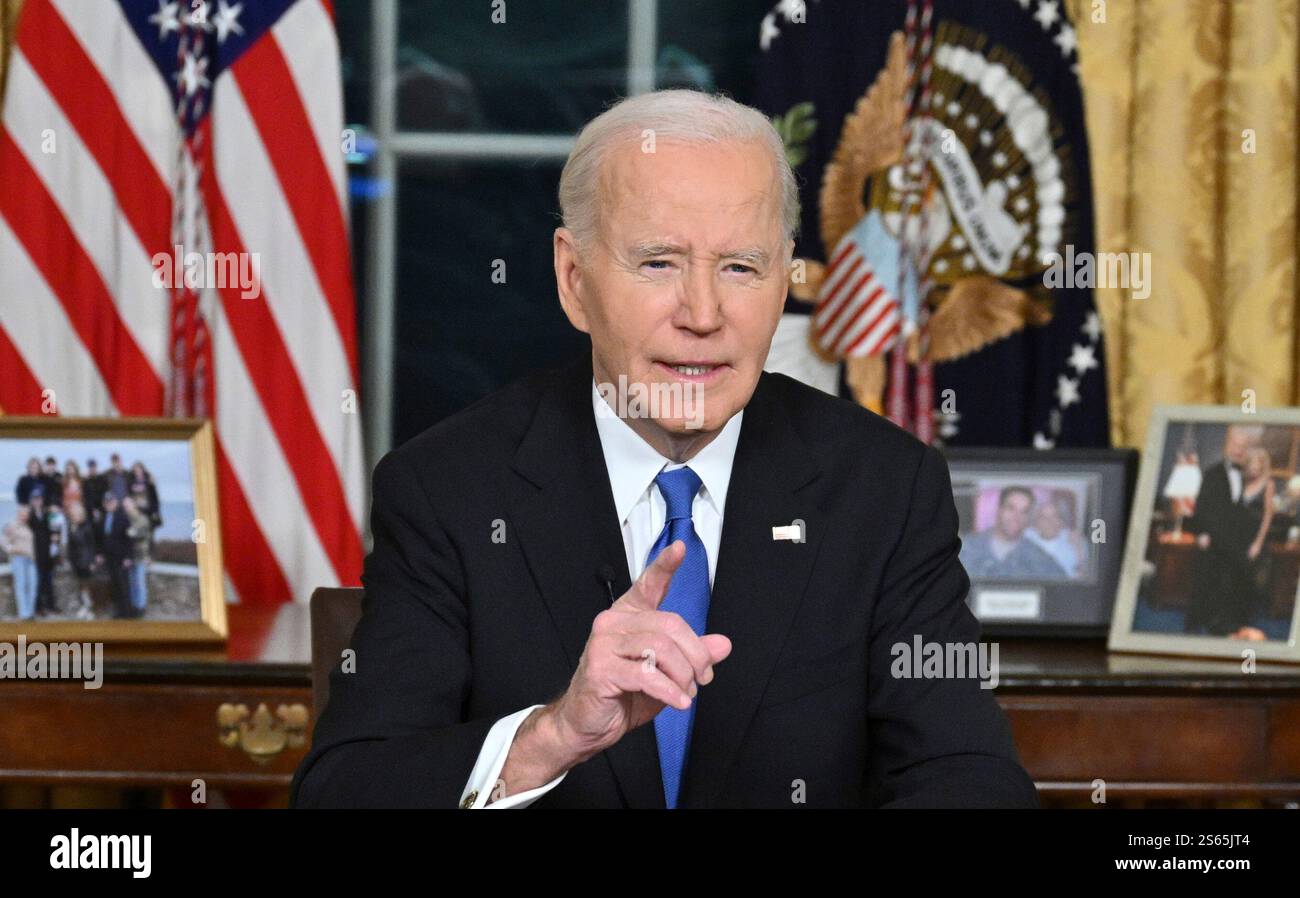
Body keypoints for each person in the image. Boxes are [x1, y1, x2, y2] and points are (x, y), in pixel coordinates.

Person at [292, 90, 1036, 809]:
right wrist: (549, 736)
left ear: (783, 282)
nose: (704, 314)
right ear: (573, 280)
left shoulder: (884, 490)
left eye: (740, 267)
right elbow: (346, 790)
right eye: (659, 264)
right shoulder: (449, 491)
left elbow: (972, 780)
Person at [1186, 426, 1263, 635]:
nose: (1239, 450)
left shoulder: (1251, 475)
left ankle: (1230, 625)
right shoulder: (1212, 474)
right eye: (1235, 445)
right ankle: (1195, 624)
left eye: (1243, 446)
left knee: (1237, 583)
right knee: (1207, 581)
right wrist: (1201, 534)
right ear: (1227, 446)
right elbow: (1201, 508)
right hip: (1214, 540)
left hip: (1238, 542)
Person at [959, 487, 1068, 580]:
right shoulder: (964, 549)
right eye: (1011, 508)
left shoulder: (1039, 559)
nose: (1016, 517)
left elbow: (1064, 590)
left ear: (1029, 517)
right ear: (999, 510)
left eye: (1024, 511)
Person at [94, 493, 134, 619]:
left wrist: (128, 557)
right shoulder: (103, 518)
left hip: (122, 558)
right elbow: (99, 539)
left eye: (111, 502)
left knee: (124, 586)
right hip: (109, 558)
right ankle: (118, 613)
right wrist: (99, 554)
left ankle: (127, 613)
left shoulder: (123, 518)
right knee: (115, 585)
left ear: (115, 503)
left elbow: (130, 540)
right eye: (106, 502)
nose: (108, 504)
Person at [1025, 496, 1084, 578]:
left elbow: (1082, 575)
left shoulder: (1073, 540)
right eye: (1043, 517)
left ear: (1062, 521)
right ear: (1035, 522)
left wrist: (1079, 553)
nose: (1049, 521)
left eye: (1055, 516)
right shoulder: (1025, 537)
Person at [27, 487, 59, 617]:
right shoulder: (29, 516)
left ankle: (51, 606)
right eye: (34, 499)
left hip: (48, 553)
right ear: (31, 501)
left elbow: (55, 528)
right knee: (38, 582)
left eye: (39, 499)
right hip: (36, 553)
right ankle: (38, 607)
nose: (37, 501)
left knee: (49, 581)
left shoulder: (48, 514)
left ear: (42, 500)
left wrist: (54, 546)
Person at [2, 506, 38, 620]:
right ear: (18, 514)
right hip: (19, 558)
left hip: (31, 559)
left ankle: (31, 612)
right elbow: (3, 540)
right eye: (22, 514)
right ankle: (24, 614)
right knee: (21, 585)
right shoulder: (12, 525)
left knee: (32, 584)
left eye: (26, 514)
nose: (24, 516)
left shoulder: (30, 526)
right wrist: (11, 549)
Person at [64, 501, 97, 620]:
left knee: (86, 585)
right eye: (73, 512)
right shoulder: (71, 525)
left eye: (77, 512)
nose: (74, 514)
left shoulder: (86, 526)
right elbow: (70, 545)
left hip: (86, 560)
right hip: (76, 561)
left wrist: (92, 561)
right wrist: (68, 559)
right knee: (80, 585)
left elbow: (91, 545)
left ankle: (89, 608)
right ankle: (84, 606)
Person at [122, 496, 152, 618]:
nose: (126, 508)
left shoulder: (142, 519)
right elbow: (126, 536)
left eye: (128, 505)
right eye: (124, 506)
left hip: (140, 555)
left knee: (140, 583)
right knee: (132, 582)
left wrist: (149, 555)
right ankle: (134, 607)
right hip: (129, 556)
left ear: (133, 505)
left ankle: (141, 608)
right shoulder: (125, 519)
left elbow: (141, 535)